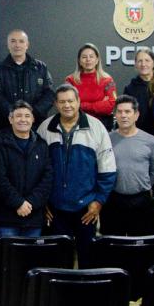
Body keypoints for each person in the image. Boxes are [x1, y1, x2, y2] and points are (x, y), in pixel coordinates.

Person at [37, 84, 117, 259]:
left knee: (88, 259)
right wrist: (42, 202)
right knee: (57, 261)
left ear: (79, 101)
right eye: (62, 102)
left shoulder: (96, 128)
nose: (67, 105)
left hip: (87, 209)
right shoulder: (44, 128)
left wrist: (98, 201)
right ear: (56, 104)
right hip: (55, 208)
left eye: (71, 101)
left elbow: (108, 169)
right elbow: (36, 171)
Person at [101, 95, 154, 236]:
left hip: (141, 200)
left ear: (136, 115)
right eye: (120, 112)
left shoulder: (150, 141)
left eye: (128, 112)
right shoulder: (107, 139)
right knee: (114, 246)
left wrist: (144, 186)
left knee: (140, 247)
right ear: (115, 115)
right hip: (114, 200)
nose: (124, 116)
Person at [0, 100, 53, 238]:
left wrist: (30, 203)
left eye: (27, 116)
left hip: (34, 217)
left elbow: (47, 178)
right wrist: (18, 203)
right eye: (18, 116)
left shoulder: (42, 145)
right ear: (10, 119)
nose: (23, 119)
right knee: (9, 259)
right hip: (7, 219)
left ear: (33, 119)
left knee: (31, 259)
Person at [0, 29, 54, 129]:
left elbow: (49, 94)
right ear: (8, 45)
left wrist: (32, 113)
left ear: (27, 44)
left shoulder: (40, 67)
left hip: (37, 124)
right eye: (13, 41)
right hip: (7, 125)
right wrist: (15, 114)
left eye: (21, 41)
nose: (17, 45)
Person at [65, 43, 117, 129]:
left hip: (101, 126)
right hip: (76, 125)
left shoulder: (108, 80)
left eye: (91, 56)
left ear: (97, 60)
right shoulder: (70, 80)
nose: (88, 59)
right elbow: (68, 105)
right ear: (79, 61)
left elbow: (111, 105)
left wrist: (81, 104)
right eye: (84, 57)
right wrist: (100, 104)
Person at [123, 47, 154, 140]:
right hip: (138, 138)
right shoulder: (130, 88)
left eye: (147, 60)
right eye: (140, 61)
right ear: (135, 64)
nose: (143, 64)